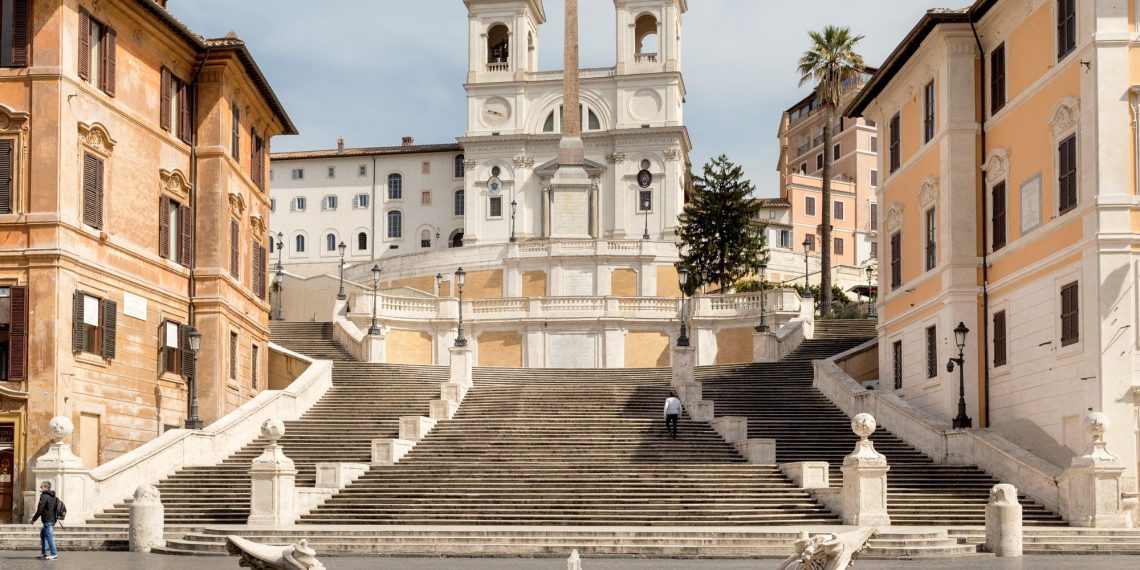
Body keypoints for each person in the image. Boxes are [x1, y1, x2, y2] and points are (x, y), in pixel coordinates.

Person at [30, 480, 60, 560]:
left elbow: (40, 510)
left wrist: (33, 519)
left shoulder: (44, 496)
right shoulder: (53, 496)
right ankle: (44, 553)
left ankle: (54, 554)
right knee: (43, 535)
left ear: (46, 487)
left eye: (41, 486)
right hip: (52, 519)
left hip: (48, 520)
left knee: (49, 537)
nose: (40, 488)